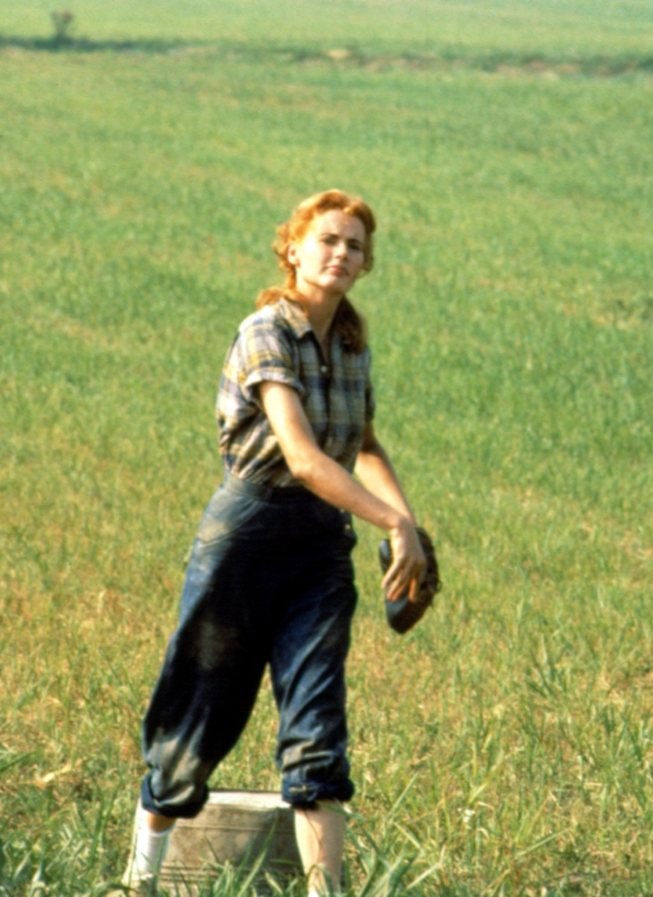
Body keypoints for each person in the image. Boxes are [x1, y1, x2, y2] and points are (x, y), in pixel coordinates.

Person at [118, 189, 426, 897]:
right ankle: (139, 882)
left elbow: (364, 443)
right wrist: (392, 523)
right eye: (328, 239)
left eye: (355, 245)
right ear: (293, 248)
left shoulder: (350, 343)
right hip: (247, 535)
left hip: (320, 549)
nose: (342, 253)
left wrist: (411, 526)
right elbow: (304, 455)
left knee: (318, 724)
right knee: (199, 709)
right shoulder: (265, 329)